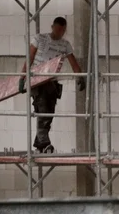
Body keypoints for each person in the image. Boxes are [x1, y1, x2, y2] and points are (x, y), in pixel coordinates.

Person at [18, 16, 85, 154]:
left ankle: (39, 143)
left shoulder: (65, 44)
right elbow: (29, 57)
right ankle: (45, 143)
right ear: (52, 27)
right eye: (58, 29)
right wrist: (22, 76)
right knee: (42, 110)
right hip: (37, 80)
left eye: (63, 30)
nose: (60, 32)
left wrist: (80, 77)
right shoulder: (40, 38)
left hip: (51, 82)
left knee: (49, 113)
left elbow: (73, 63)